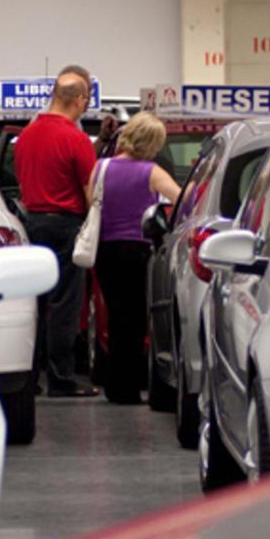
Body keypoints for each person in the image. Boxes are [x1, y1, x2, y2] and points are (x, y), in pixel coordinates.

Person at [15, 65, 100, 397]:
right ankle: (61, 379)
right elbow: (90, 193)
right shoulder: (76, 139)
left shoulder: (26, 137)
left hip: (31, 223)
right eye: (86, 98)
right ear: (78, 100)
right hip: (66, 226)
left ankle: (30, 377)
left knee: (33, 304)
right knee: (64, 304)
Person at [91, 112, 181, 404]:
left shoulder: (101, 167)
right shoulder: (151, 172)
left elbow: (92, 200)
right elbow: (179, 198)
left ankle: (115, 385)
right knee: (137, 319)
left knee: (116, 316)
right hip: (138, 250)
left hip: (105, 250)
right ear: (152, 142)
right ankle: (129, 387)